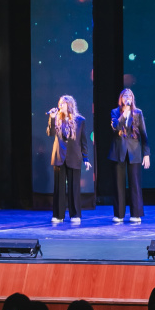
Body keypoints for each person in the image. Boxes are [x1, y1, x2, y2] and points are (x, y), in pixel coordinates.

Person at [108, 88, 150, 223]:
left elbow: (144, 134)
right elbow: (115, 127)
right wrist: (124, 114)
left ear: (132, 99)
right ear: (121, 98)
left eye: (130, 96)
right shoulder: (115, 112)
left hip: (134, 151)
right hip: (118, 151)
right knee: (118, 184)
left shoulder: (138, 113)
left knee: (135, 183)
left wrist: (146, 154)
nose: (127, 98)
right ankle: (119, 214)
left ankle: (135, 214)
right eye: (125, 96)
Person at [47, 95, 91, 223]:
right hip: (59, 156)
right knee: (59, 188)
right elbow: (50, 133)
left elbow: (83, 141)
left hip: (74, 156)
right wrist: (52, 118)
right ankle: (58, 215)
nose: (60, 105)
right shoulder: (56, 118)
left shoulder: (80, 120)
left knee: (74, 187)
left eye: (63, 103)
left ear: (69, 105)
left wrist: (86, 158)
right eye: (59, 103)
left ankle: (75, 214)